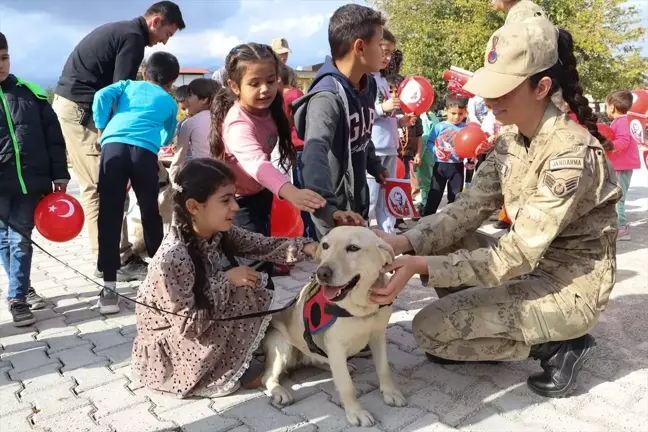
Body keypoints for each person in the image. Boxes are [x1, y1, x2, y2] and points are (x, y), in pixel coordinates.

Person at [371, 18, 622, 399]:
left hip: (566, 288)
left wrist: (421, 267)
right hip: (528, 269)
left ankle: (560, 345)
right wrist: (402, 243)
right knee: (438, 239)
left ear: (541, 88)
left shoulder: (569, 153)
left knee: (429, 331)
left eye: (503, 90)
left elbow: (518, 253)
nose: (490, 100)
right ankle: (487, 321)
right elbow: (464, 211)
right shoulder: (511, 139)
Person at [132, 158, 318, 397]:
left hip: (194, 326)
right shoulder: (174, 256)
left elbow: (262, 245)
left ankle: (243, 355)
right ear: (193, 206)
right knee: (245, 290)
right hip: (174, 346)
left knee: (250, 284)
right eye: (225, 200)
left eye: (234, 197)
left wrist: (309, 249)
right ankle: (211, 375)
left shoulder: (217, 232)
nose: (236, 207)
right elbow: (187, 325)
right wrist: (227, 281)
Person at [52, 1, 185, 282]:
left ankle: (117, 255)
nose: (163, 42)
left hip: (80, 106)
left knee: (111, 187)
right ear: (156, 21)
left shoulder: (126, 32)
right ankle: (113, 259)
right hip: (80, 110)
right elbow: (117, 93)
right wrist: (105, 131)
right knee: (100, 189)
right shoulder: (133, 38)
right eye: (167, 34)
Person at [209, 43, 325, 276]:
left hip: (258, 194)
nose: (265, 89)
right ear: (234, 86)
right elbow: (257, 164)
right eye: (254, 83)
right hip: (235, 202)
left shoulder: (271, 109)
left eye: (271, 81)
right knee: (255, 271)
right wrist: (292, 192)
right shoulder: (238, 124)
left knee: (260, 259)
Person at [292, 4, 389, 239]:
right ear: (360, 46)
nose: (385, 53)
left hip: (356, 203)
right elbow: (314, 154)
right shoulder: (327, 97)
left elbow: (363, 134)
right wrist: (327, 208)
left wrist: (374, 166)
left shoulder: (368, 84)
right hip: (335, 213)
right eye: (379, 45)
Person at [93, 52, 180, 314]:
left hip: (114, 147)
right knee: (150, 213)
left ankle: (109, 290)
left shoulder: (127, 86)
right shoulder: (169, 101)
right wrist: (157, 137)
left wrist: (101, 128)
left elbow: (101, 96)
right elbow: (168, 134)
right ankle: (159, 281)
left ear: (145, 73)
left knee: (109, 213)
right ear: (171, 82)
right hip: (144, 154)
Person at [0, 32, 71, 326]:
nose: (0, 65)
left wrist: (60, 175)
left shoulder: (31, 94)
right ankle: (22, 286)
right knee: (3, 240)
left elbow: (54, 139)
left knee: (20, 240)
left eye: (3, 58)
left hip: (30, 183)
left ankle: (17, 298)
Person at [369, 30, 415, 234]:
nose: (387, 58)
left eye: (391, 54)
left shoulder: (381, 79)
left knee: (388, 198)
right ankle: (359, 239)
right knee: (369, 200)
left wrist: (399, 121)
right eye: (384, 52)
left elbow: (385, 116)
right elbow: (360, 114)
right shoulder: (365, 78)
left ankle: (388, 239)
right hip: (373, 152)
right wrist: (382, 108)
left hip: (390, 148)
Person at [278, 63, 318, 240]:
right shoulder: (296, 94)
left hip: (294, 148)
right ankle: (310, 234)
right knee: (305, 192)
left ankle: (306, 234)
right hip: (301, 147)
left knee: (299, 194)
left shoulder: (284, 97)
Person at [605, 90, 641, 241]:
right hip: (622, 166)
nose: (606, 109)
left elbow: (623, 141)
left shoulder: (621, 122)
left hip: (621, 166)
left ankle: (621, 228)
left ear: (612, 107)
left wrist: (608, 145)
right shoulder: (625, 120)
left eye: (606, 106)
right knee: (617, 196)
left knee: (617, 197)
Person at [423, 97, 468, 216]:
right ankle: (426, 218)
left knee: (455, 196)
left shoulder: (465, 128)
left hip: (457, 166)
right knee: (435, 194)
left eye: (460, 114)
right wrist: (435, 150)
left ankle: (450, 220)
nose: (456, 117)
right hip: (440, 166)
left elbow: (470, 146)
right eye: (453, 113)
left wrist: (471, 159)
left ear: (465, 113)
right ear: (446, 110)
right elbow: (429, 142)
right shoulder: (439, 127)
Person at [169, 78, 220, 179]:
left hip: (201, 174)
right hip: (222, 173)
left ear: (204, 99)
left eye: (190, 95)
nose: (186, 100)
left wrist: (173, 178)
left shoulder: (189, 123)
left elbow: (180, 157)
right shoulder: (223, 118)